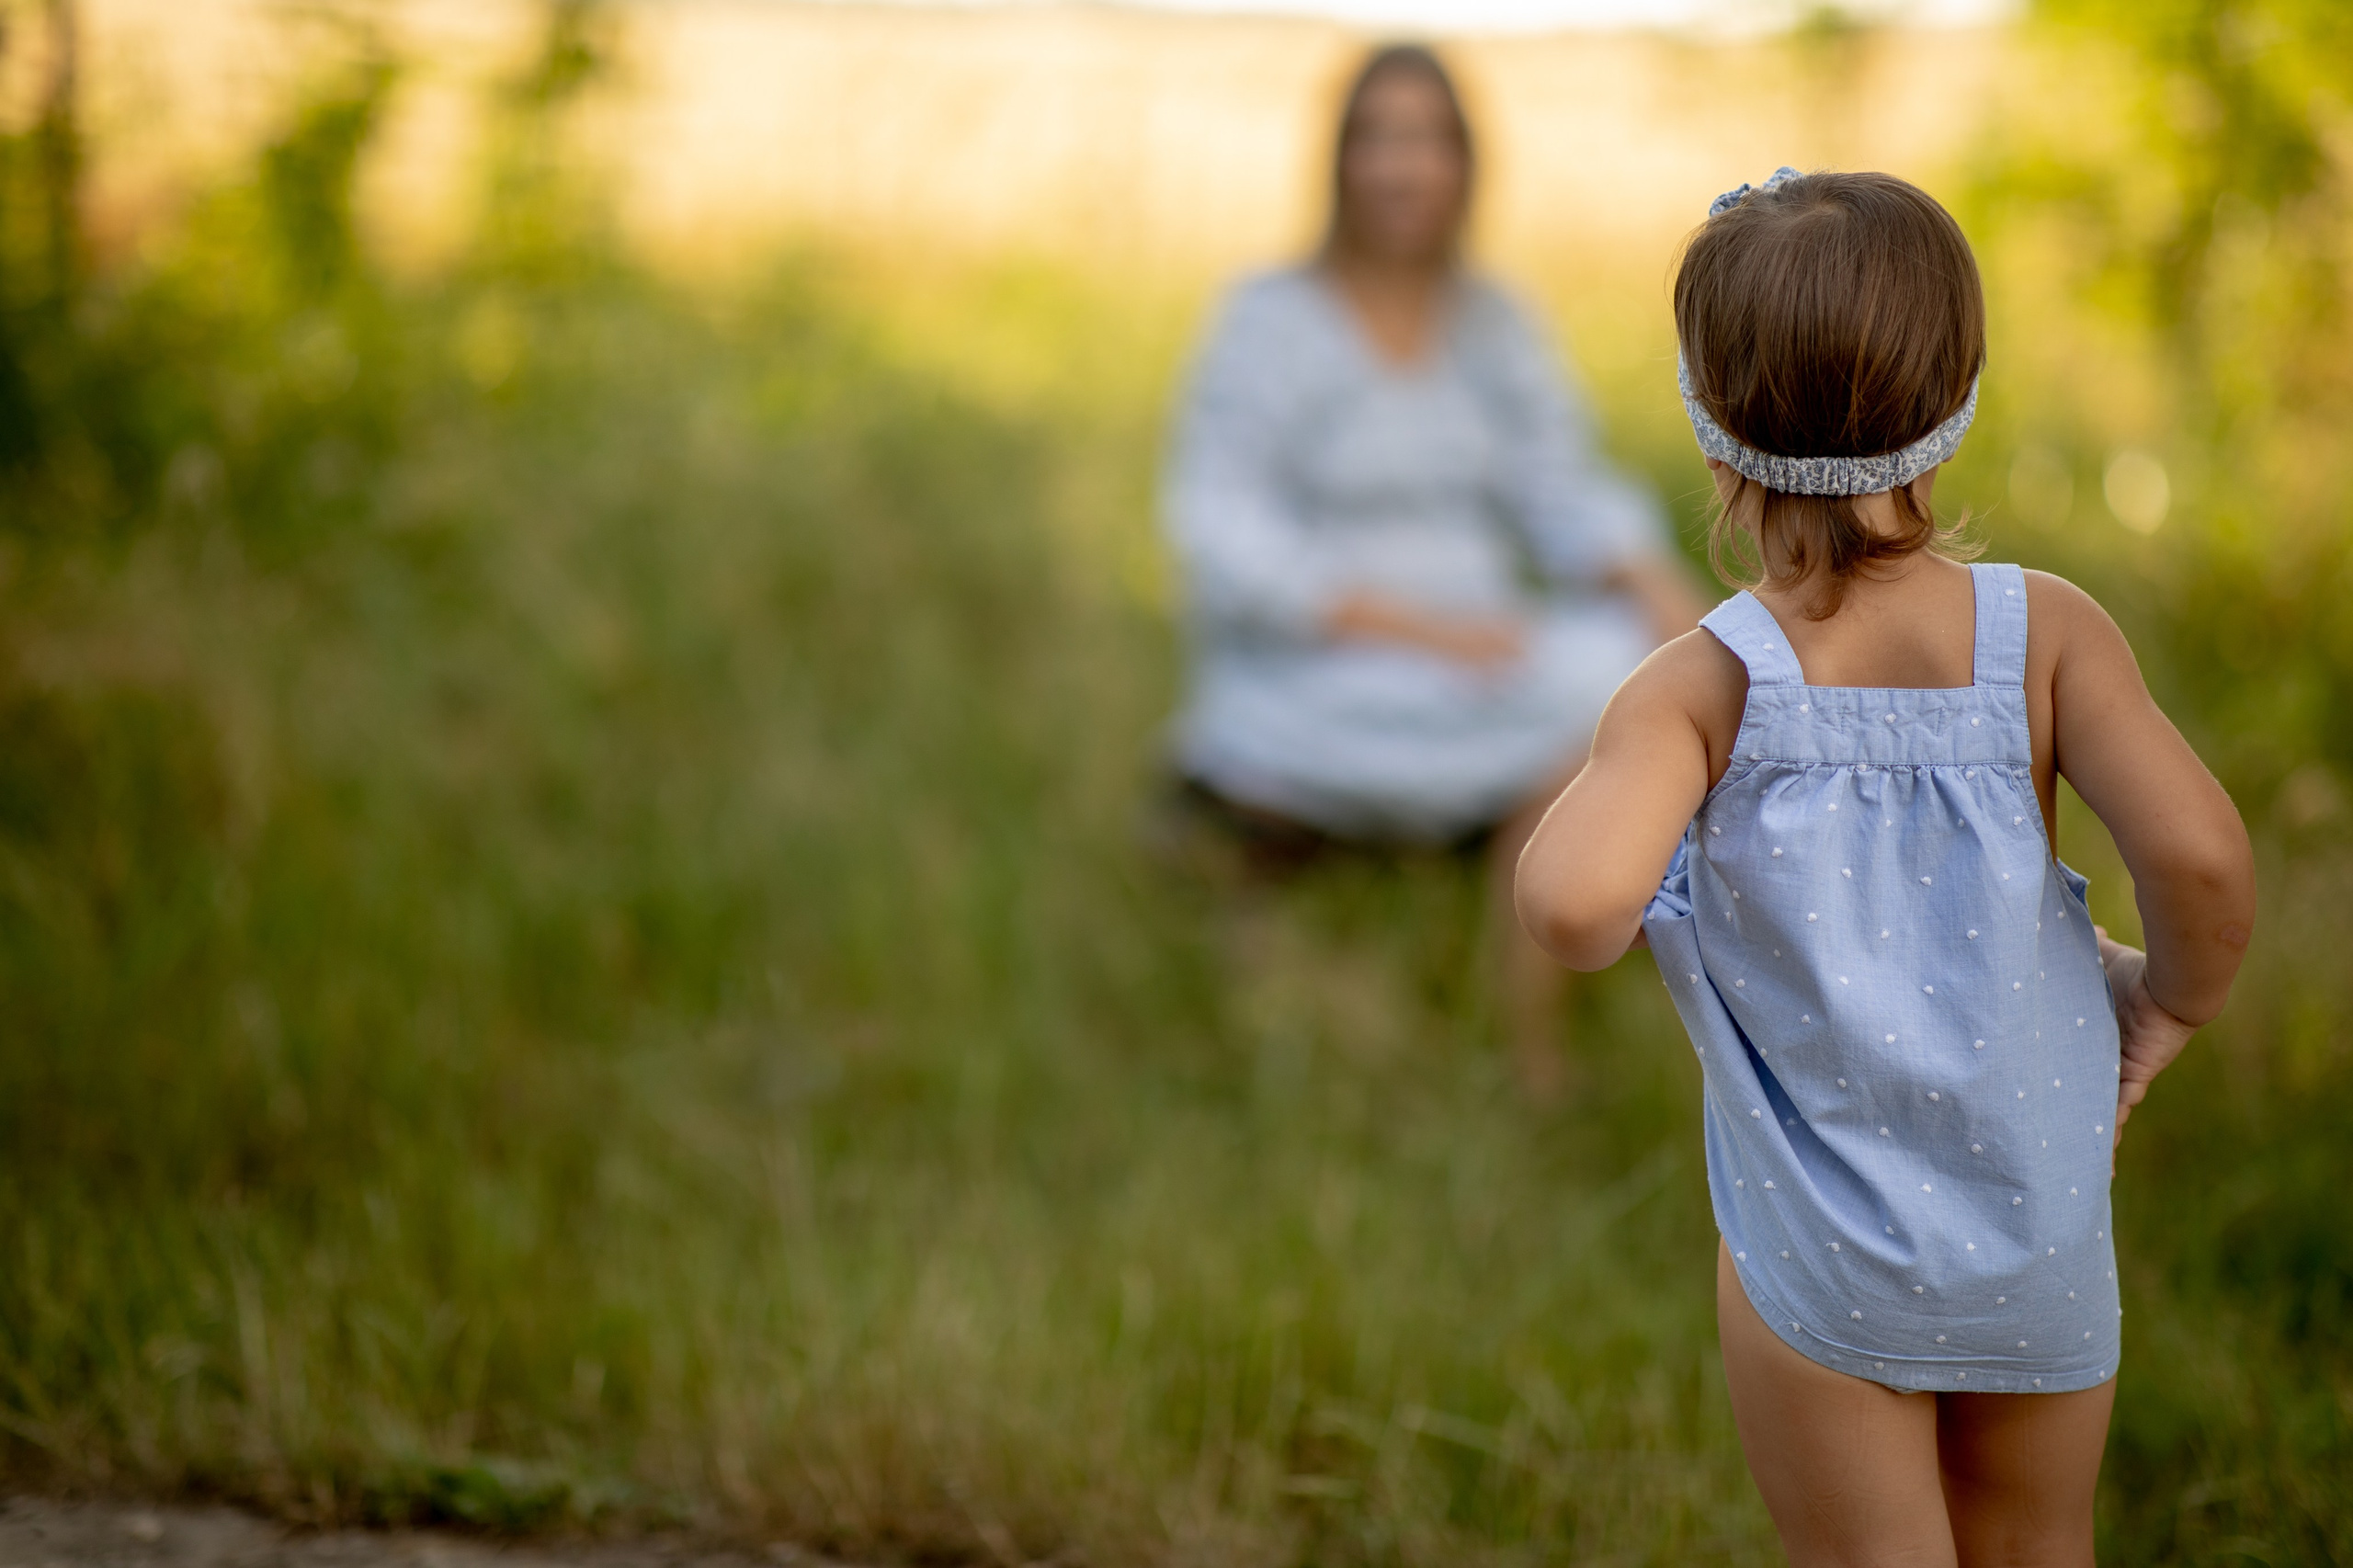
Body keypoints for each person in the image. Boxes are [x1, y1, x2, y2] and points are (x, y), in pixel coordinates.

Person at [1515, 168, 2256, 1563]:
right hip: (2037, 1228)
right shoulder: (2048, 635)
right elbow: (2206, 860)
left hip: (1821, 1256)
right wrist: (2171, 1005)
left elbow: (1569, 908)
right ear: (1954, 395)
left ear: (1712, 425)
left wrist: (1623, 752)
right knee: (2040, 1542)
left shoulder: (1700, 688)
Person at [1162, 44, 1702, 1089]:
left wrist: (1650, 583)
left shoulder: (1493, 321)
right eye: (1379, 139)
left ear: (1465, 165)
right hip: (1319, 662)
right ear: (1340, 161)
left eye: (1428, 140)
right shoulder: (1266, 318)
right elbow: (1219, 526)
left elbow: (1561, 486)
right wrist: (1416, 628)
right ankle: (1503, 1019)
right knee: (1590, 702)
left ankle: (1527, 1021)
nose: (1403, 169)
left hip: (1480, 651)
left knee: (1638, 681)